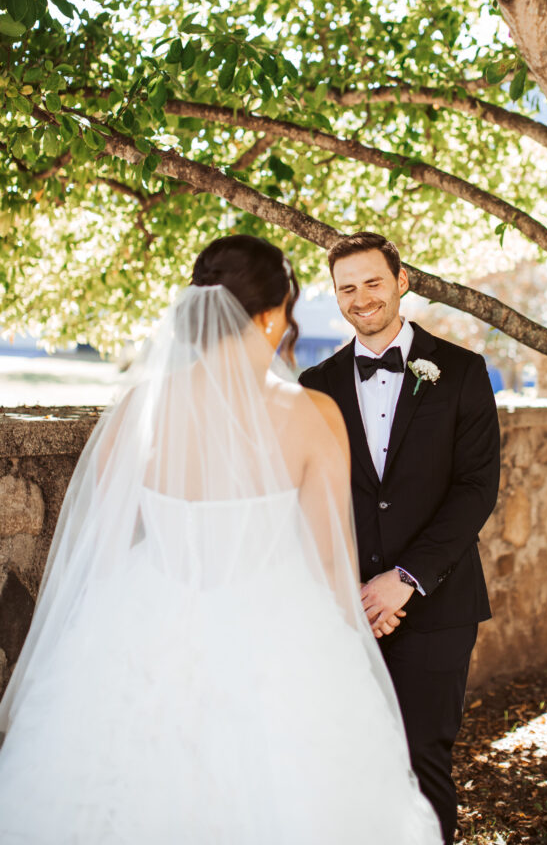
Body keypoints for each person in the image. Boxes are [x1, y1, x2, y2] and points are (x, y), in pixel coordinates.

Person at [0, 235, 441, 845]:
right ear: (266, 318)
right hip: (278, 639)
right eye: (286, 311)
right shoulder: (312, 416)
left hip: (145, 625)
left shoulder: (135, 410)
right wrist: (354, 633)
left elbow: (99, 555)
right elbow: (328, 567)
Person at [299, 232, 500, 844]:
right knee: (349, 763)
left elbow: (475, 489)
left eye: (372, 282)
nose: (361, 298)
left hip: (438, 607)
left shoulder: (463, 371)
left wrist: (402, 580)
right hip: (347, 611)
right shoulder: (315, 383)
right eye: (347, 288)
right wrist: (355, 592)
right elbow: (312, 499)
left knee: (422, 763)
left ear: (402, 281)